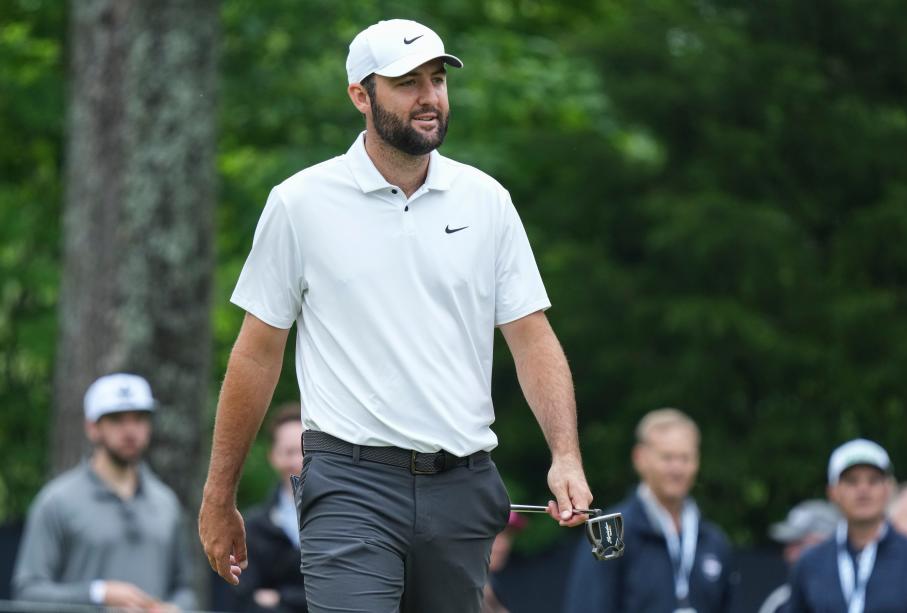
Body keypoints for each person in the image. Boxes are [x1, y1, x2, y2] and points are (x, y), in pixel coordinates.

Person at [198, 18, 593, 613]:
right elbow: (256, 353)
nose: (430, 97)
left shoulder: (487, 201)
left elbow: (532, 338)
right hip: (349, 482)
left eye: (437, 79)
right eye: (407, 83)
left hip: (463, 486)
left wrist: (565, 454)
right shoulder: (300, 202)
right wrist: (218, 493)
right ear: (361, 95)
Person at [12, 373, 196, 611]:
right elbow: (27, 596)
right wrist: (97, 594)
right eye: (117, 419)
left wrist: (175, 608)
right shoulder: (57, 501)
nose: (130, 430)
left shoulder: (166, 503)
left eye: (140, 418)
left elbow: (186, 589)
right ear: (92, 427)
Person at [564, 408, 735, 612]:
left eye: (685, 458)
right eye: (667, 457)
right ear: (640, 458)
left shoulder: (713, 541)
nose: (677, 469)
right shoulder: (609, 532)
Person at [787, 438, 907, 612]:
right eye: (852, 481)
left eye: (873, 480)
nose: (863, 489)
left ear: (888, 489)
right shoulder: (810, 563)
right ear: (833, 492)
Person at [230, 403, 307, 612]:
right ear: (273, 456)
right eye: (289, 451)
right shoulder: (251, 528)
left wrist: (281, 597)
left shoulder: (340, 521)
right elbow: (245, 598)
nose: (298, 461)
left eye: (304, 451)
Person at [757, 500, 840, 613]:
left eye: (799, 543)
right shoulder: (781, 602)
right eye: (788, 544)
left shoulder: (863, 594)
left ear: (827, 542)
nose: (789, 553)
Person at [482, 511, 527, 613]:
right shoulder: (455, 593)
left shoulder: (492, 588)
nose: (503, 546)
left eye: (508, 534)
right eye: (493, 535)